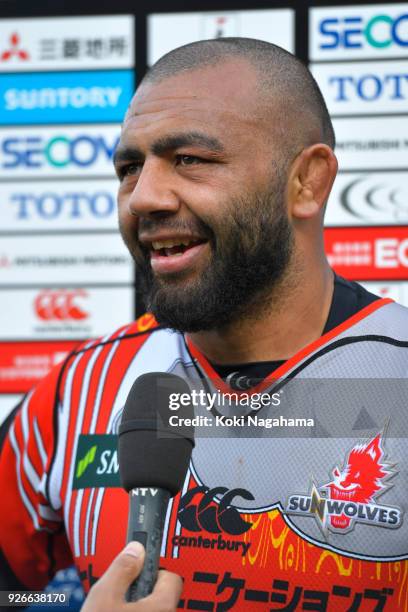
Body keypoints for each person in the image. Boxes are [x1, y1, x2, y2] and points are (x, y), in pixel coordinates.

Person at [1, 38, 407, 611]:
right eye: (129, 167)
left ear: (307, 182)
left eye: (189, 159)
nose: (143, 197)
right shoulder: (78, 389)